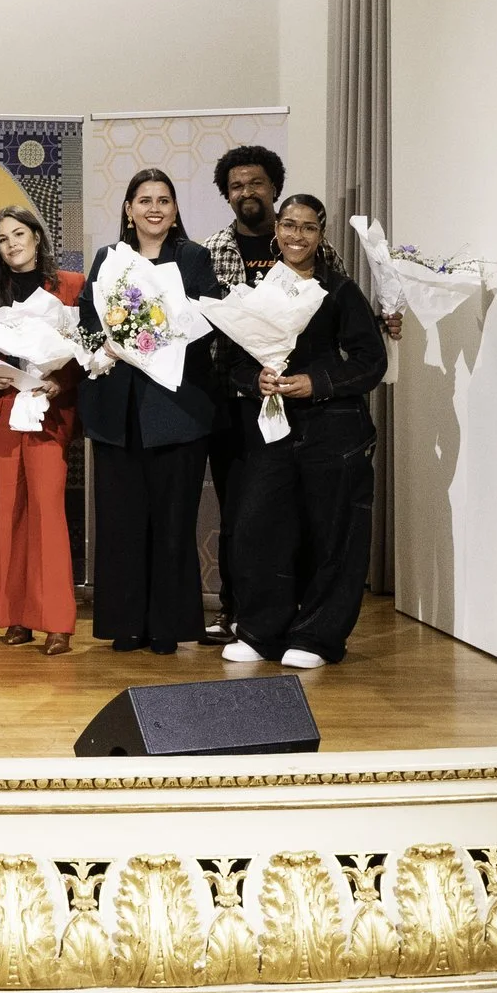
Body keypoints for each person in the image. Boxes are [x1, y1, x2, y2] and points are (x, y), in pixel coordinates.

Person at [223, 193, 389, 669]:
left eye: (309, 228)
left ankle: (317, 637)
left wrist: (316, 383)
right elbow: (233, 363)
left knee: (332, 534)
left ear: (322, 234)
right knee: (260, 529)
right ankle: (259, 630)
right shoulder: (254, 291)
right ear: (276, 228)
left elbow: (370, 362)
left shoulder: (339, 291)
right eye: (289, 225)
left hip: (333, 433)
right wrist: (253, 379)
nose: (297, 236)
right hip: (271, 429)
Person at [79, 168, 223, 655]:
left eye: (164, 200)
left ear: (175, 209)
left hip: (177, 411)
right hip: (117, 414)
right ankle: (125, 624)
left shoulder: (194, 259)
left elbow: (210, 321)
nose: (154, 208)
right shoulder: (108, 259)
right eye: (144, 200)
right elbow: (86, 322)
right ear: (128, 209)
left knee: (172, 522)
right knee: (121, 523)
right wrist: (110, 347)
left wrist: (161, 336)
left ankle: (167, 627)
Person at [0, 205, 82, 656]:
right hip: (1, 412)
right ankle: (15, 616)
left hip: (47, 412)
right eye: (2, 238)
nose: (12, 243)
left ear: (37, 236)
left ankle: (56, 622)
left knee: (47, 513)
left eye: (19, 233)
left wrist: (61, 381)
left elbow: (85, 353)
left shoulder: (71, 286)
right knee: (5, 514)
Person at [200, 146, 287, 644]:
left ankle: (284, 608)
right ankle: (232, 610)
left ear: (273, 187)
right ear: (226, 195)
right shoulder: (209, 251)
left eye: (256, 183)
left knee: (285, 508)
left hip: (295, 401)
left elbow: (342, 307)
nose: (246, 192)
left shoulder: (303, 242)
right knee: (236, 509)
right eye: (236, 186)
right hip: (230, 403)